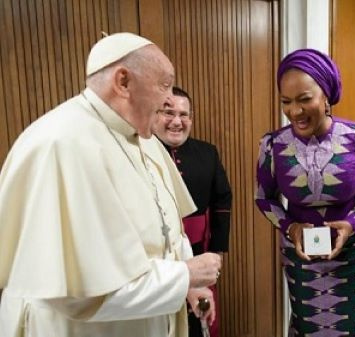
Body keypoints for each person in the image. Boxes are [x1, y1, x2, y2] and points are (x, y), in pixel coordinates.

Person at [0, 32, 222, 337]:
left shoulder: (143, 140)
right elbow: (79, 295)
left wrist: (188, 283)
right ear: (123, 82)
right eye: (164, 84)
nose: (169, 99)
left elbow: (169, 229)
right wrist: (183, 276)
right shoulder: (61, 145)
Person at [255, 48, 355, 336]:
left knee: (354, 324)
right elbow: (263, 198)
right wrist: (290, 228)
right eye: (286, 101)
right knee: (308, 325)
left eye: (305, 99)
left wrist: (351, 224)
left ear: (326, 97)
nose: (295, 111)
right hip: (301, 255)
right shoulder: (273, 145)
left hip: (353, 253)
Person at [153, 86, 232, 337]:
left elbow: (222, 199)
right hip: (157, 255)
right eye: (168, 113)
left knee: (201, 317)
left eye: (184, 114)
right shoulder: (141, 152)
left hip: (199, 249)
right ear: (154, 115)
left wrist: (216, 249)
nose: (177, 121)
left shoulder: (207, 152)